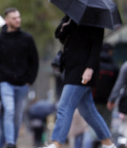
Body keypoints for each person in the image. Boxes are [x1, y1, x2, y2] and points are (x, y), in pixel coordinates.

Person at [41, 15, 116, 148]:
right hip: (70, 69)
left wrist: (90, 68)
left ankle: (57, 143)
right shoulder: (71, 15)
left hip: (83, 71)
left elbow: (96, 47)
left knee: (64, 106)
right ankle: (108, 144)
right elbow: (59, 35)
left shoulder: (95, 19)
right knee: (88, 111)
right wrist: (65, 26)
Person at [0, 7, 39, 148]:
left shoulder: (27, 38)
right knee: (9, 111)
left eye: (19, 17)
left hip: (23, 84)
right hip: (5, 83)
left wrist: (30, 80)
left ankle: (13, 141)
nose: (18, 20)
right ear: (7, 20)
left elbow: (34, 61)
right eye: (14, 18)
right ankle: (10, 142)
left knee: (17, 116)